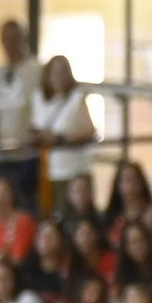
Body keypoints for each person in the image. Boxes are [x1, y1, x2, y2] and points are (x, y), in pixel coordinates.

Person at [0, 19, 41, 207]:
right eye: (6, 38)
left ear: (24, 39)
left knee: (25, 205)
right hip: (0, 154)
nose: (11, 43)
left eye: (15, 38)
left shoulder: (36, 71)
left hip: (27, 154)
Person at [30, 55, 96, 203]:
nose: (58, 77)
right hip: (49, 170)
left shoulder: (77, 98)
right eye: (54, 72)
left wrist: (60, 139)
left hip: (74, 169)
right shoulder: (39, 99)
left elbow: (90, 132)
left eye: (62, 73)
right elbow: (35, 126)